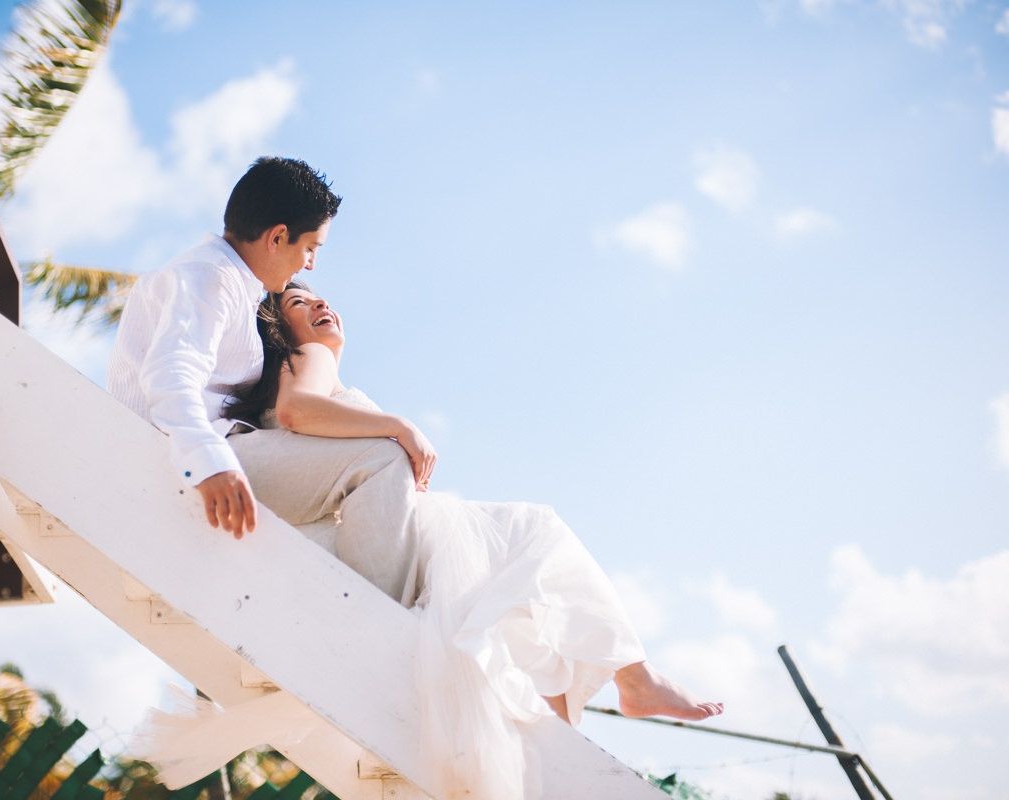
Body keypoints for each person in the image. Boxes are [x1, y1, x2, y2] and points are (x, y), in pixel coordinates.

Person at [216, 283, 725, 799]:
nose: (321, 305)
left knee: (514, 567)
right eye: (300, 305)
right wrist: (399, 426)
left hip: (358, 525)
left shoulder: (319, 370)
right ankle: (619, 687)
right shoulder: (308, 357)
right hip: (355, 532)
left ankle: (606, 696)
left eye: (321, 298)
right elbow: (296, 411)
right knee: (524, 547)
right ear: (281, 332)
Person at [106, 157, 340, 539]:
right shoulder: (211, 276)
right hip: (184, 461)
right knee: (379, 461)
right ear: (278, 237)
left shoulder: (232, 285)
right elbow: (171, 374)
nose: (310, 265)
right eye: (311, 248)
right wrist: (209, 464)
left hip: (199, 453)